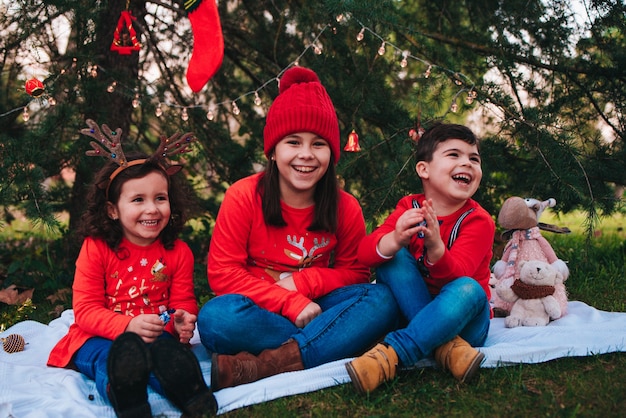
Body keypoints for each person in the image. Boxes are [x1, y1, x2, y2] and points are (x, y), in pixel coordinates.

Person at [196, 66, 399, 390]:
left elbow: (356, 273)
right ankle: (334, 342)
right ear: (274, 151)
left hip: (317, 308)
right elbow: (223, 273)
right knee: (216, 319)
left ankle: (269, 364)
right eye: (293, 142)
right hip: (261, 311)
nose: (306, 155)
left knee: (382, 299)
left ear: (332, 153)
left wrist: (306, 282)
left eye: (318, 144)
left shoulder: (345, 206)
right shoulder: (244, 195)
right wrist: (289, 302)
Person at [47, 120, 217, 418]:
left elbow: (183, 301)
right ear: (113, 209)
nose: (152, 209)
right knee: (114, 360)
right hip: (97, 338)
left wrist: (181, 321)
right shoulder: (97, 247)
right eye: (138, 199)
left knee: (166, 358)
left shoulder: (178, 252)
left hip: (156, 336)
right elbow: (85, 310)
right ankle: (127, 398)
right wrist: (126, 326)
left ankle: (191, 393)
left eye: (160, 198)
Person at [346, 122, 494, 393]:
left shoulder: (478, 221)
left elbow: (459, 276)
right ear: (423, 169)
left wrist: (437, 249)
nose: (467, 163)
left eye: (474, 158)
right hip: (417, 313)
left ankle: (390, 356)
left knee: (470, 289)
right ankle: (447, 350)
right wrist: (396, 239)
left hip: (466, 323)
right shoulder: (408, 207)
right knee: (391, 257)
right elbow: (365, 253)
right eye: (454, 155)